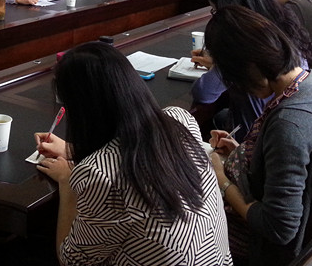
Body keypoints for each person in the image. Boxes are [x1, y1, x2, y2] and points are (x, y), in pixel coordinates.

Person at [34, 42, 232, 266]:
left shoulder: (98, 174)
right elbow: (136, 150)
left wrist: (67, 181)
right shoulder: (180, 119)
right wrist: (72, 149)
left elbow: (72, 260)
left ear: (81, 109)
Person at [206, 6, 312, 266]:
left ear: (249, 68)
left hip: (266, 250)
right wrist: (242, 151)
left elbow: (278, 228)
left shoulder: (289, 125)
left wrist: (221, 179)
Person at [191, 0, 312, 140]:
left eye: (215, 9)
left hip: (256, 137)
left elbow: (204, 93)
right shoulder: (283, 21)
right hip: (282, 123)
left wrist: (222, 63)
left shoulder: (242, 39)